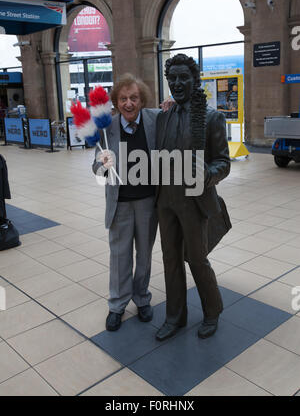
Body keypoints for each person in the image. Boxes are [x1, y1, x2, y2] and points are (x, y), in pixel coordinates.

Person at [155, 53, 231, 341]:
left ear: (195, 80)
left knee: (197, 259)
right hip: (166, 200)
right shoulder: (164, 116)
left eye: (183, 78)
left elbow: (223, 162)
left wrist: (206, 175)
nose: (177, 83)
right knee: (170, 259)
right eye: (172, 78)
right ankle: (175, 317)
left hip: (193, 200)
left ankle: (212, 311)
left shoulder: (211, 117)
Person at [92, 74, 161, 332]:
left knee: (144, 255)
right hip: (120, 203)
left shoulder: (155, 119)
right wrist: (102, 165)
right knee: (120, 257)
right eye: (123, 99)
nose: (129, 103)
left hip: (148, 202)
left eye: (134, 97)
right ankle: (117, 304)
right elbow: (96, 171)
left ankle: (141, 298)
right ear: (116, 102)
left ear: (141, 99)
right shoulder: (106, 128)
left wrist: (172, 105)